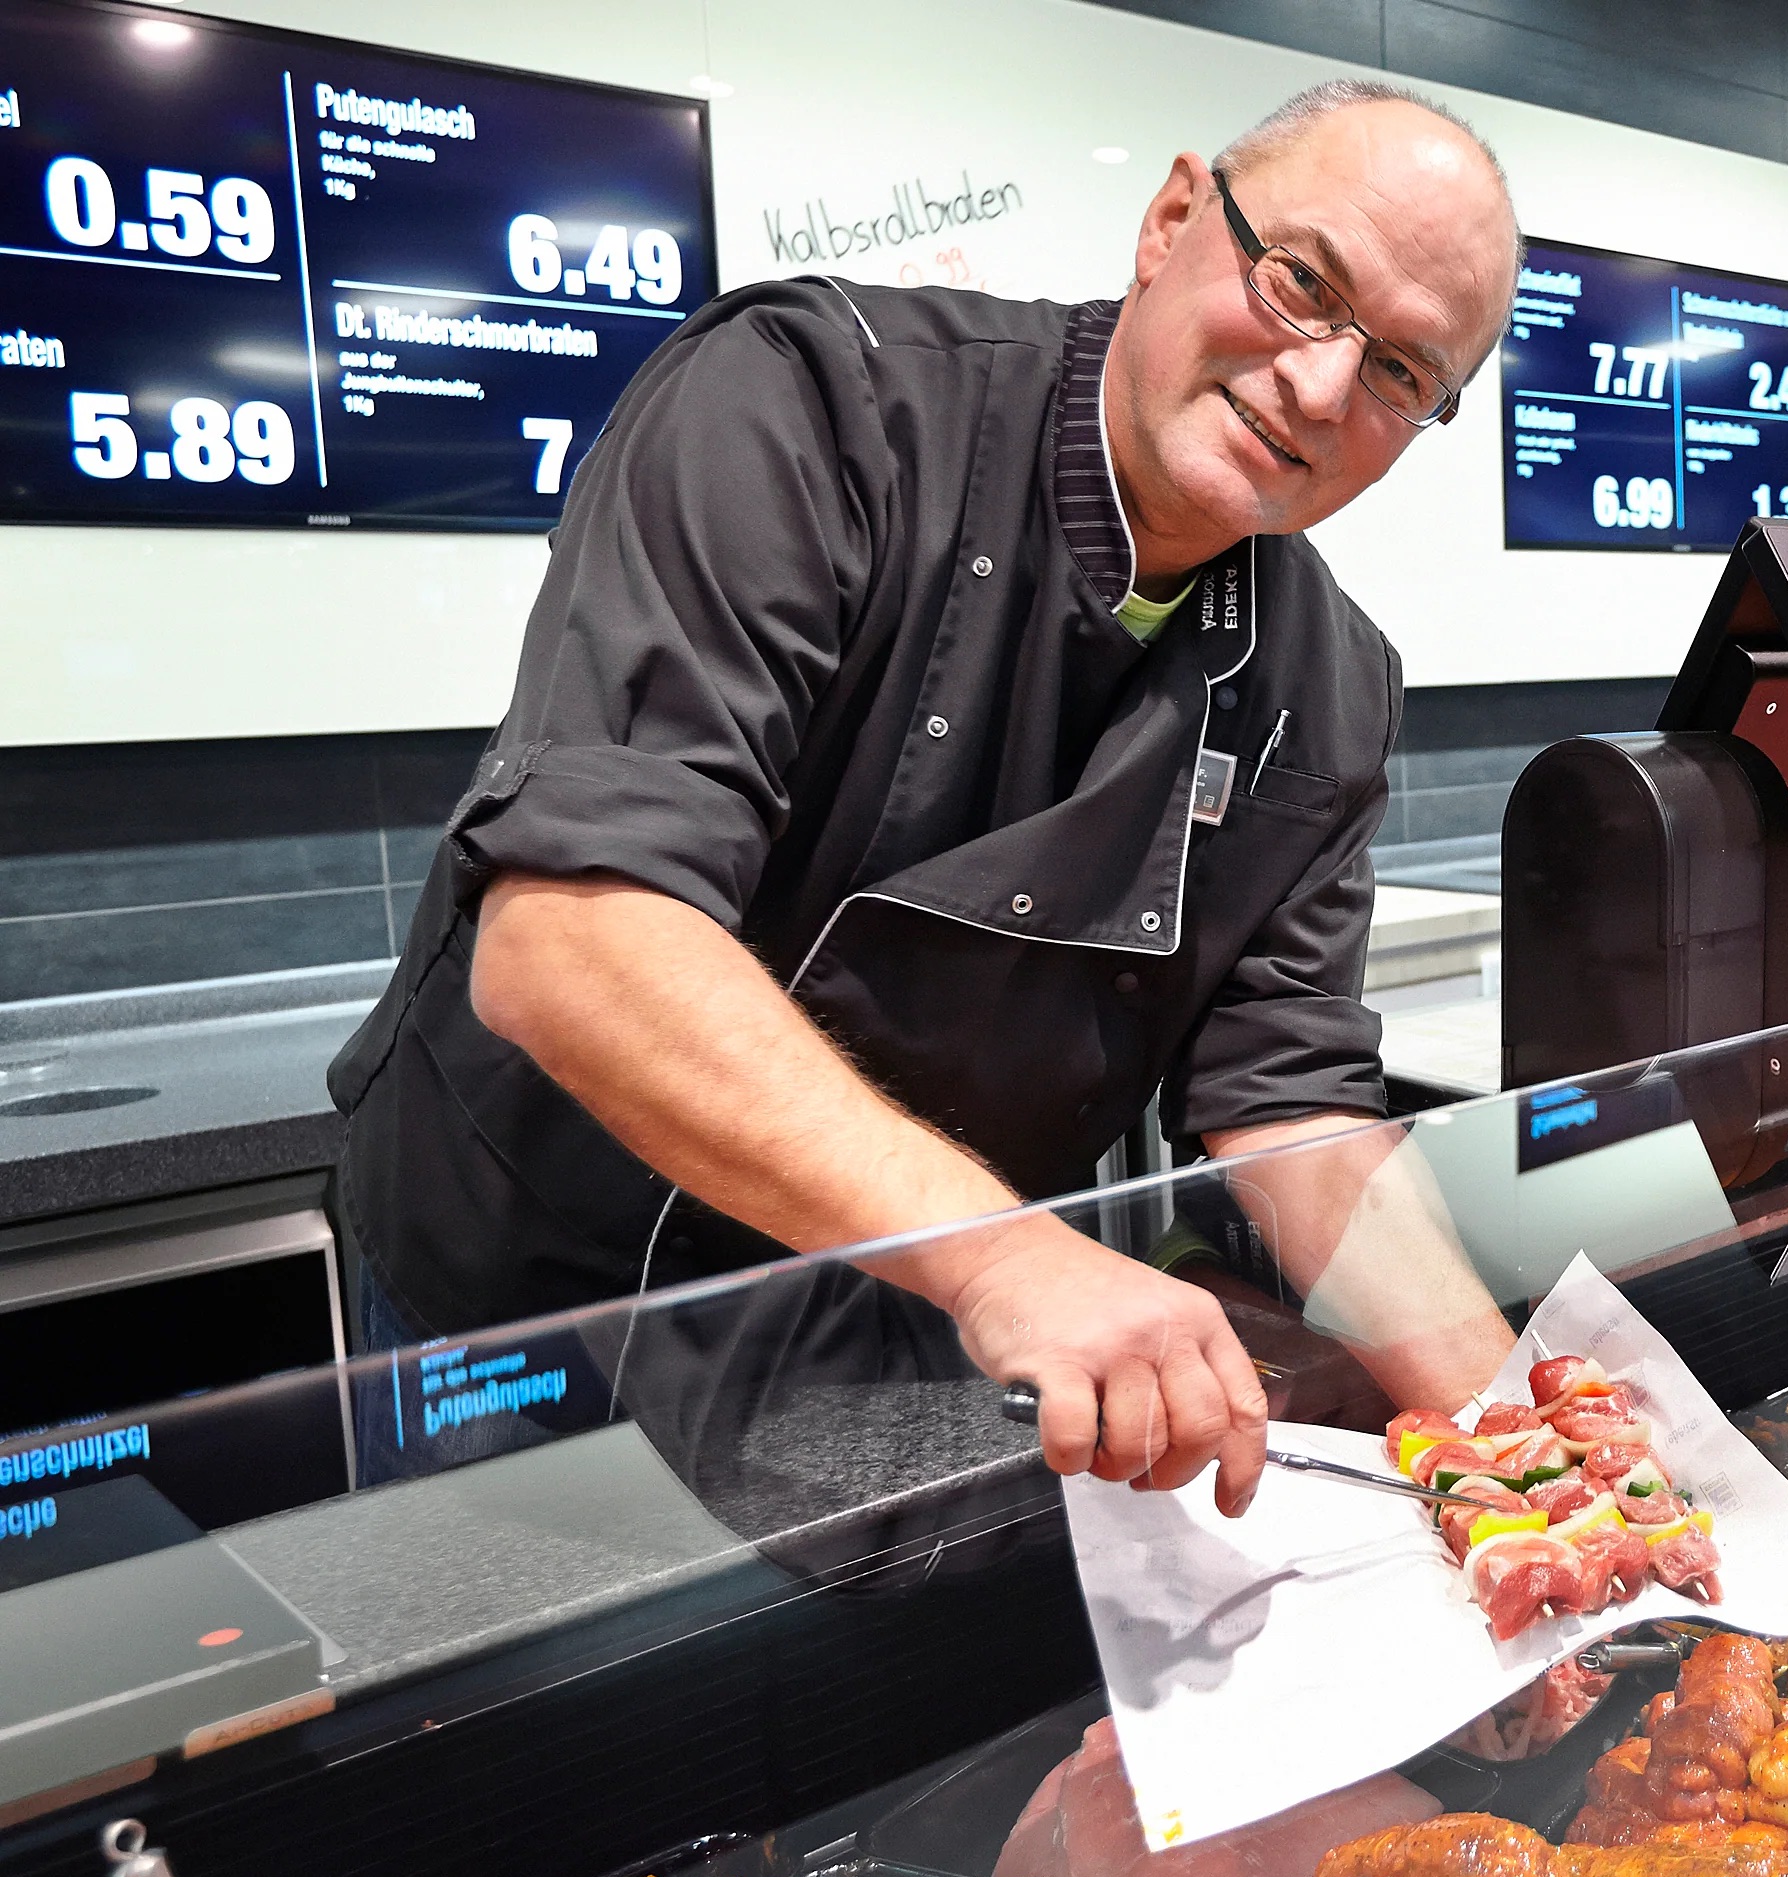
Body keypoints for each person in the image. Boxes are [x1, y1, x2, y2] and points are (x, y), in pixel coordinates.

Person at [326, 81, 1528, 1510]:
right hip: (535, 1302)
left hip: (878, 1324)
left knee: (847, 1726)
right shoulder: (812, 404)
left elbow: (1291, 1104)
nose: (1319, 388)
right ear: (1170, 221)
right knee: (538, 1730)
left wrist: (1526, 1433)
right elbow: (574, 938)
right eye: (1300, 284)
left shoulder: (1325, 684)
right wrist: (1010, 1254)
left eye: (1399, 371)